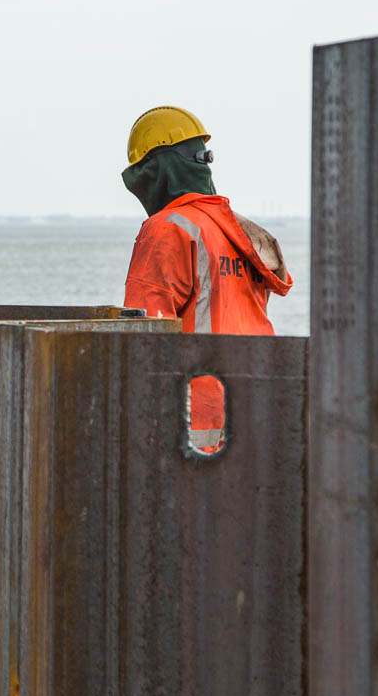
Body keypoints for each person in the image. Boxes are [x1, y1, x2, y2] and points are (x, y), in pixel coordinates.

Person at [120, 105, 292, 448]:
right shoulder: (242, 232)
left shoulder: (168, 230)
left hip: (194, 423)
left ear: (155, 169)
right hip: (259, 404)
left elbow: (143, 335)